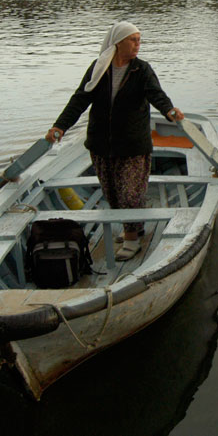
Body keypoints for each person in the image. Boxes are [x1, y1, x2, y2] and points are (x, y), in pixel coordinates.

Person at [46, 21, 183, 261]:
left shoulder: (142, 70)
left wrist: (169, 111)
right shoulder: (99, 69)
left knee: (130, 193)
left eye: (139, 40)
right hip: (101, 144)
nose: (138, 44)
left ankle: (131, 239)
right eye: (133, 40)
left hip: (132, 145)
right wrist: (60, 126)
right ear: (117, 43)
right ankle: (135, 227)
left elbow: (156, 95)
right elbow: (79, 100)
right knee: (113, 194)